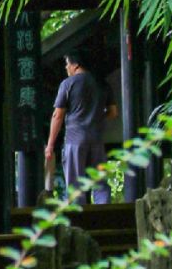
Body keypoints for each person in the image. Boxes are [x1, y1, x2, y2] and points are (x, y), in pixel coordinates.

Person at [44, 51, 118, 204]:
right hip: (96, 140)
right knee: (100, 185)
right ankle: (104, 218)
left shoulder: (68, 84)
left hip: (75, 140)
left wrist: (50, 144)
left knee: (76, 187)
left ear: (75, 65)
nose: (66, 68)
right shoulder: (102, 84)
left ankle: (79, 222)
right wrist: (97, 117)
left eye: (67, 64)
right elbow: (113, 112)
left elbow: (58, 115)